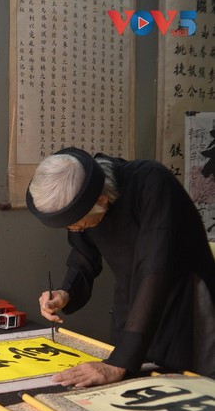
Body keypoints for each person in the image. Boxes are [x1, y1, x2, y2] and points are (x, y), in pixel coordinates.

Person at [27, 147, 215, 388]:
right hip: (131, 296)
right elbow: (84, 253)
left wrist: (119, 362)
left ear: (101, 201)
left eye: (77, 224)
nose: (75, 230)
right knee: (131, 384)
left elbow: (154, 269)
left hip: (183, 295)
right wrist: (67, 292)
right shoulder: (85, 197)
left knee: (189, 385)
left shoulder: (151, 182)